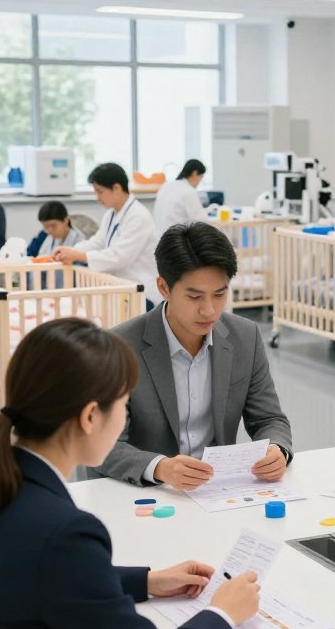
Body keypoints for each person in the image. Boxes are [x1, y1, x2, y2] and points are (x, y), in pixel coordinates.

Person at [0, 318, 259, 629]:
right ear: (91, 416)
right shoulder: (64, 533)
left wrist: (148, 580)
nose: (125, 416)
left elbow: (35, 578)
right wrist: (222, 615)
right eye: (124, 404)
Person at [93, 222, 293, 490]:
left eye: (219, 294)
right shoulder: (117, 347)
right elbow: (101, 446)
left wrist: (276, 449)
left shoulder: (245, 337)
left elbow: (270, 419)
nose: (209, 310)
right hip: (147, 493)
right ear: (164, 288)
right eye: (194, 296)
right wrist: (160, 467)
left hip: (215, 492)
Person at [53, 162, 161, 305]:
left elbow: (120, 257)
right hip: (122, 287)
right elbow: (97, 242)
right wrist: (69, 251)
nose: (97, 197)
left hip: (141, 291)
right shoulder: (111, 214)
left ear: (116, 188)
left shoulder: (138, 216)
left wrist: (80, 256)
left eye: (100, 191)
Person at [153, 159, 209, 233]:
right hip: (175, 238)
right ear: (194, 173)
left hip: (158, 237)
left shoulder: (166, 186)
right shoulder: (188, 191)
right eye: (201, 176)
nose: (200, 181)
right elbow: (201, 220)